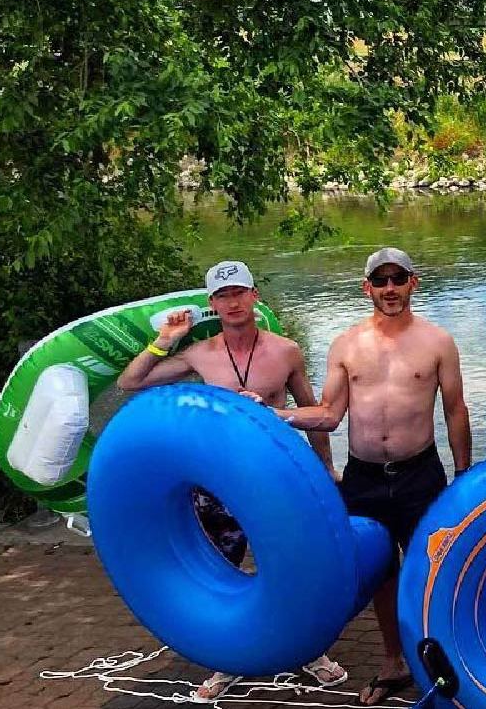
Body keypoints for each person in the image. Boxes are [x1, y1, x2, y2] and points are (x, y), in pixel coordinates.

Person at [117, 261, 346, 704]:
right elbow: (131, 382)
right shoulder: (199, 354)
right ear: (212, 304)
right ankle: (229, 661)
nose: (233, 301)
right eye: (223, 295)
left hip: (277, 483)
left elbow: (313, 414)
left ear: (255, 296)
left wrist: (326, 470)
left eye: (240, 292)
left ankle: (311, 651)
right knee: (222, 570)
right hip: (218, 483)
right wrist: (165, 340)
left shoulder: (286, 351)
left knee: (298, 568)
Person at [276, 248, 472, 706]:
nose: (390, 289)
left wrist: (464, 473)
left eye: (397, 280)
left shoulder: (437, 341)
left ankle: (443, 658)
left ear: (413, 283)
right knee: (382, 570)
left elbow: (455, 410)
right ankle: (392, 661)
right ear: (367, 287)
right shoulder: (346, 344)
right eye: (380, 281)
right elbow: (328, 415)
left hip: (420, 473)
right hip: (363, 476)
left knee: (432, 567)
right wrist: (275, 414)